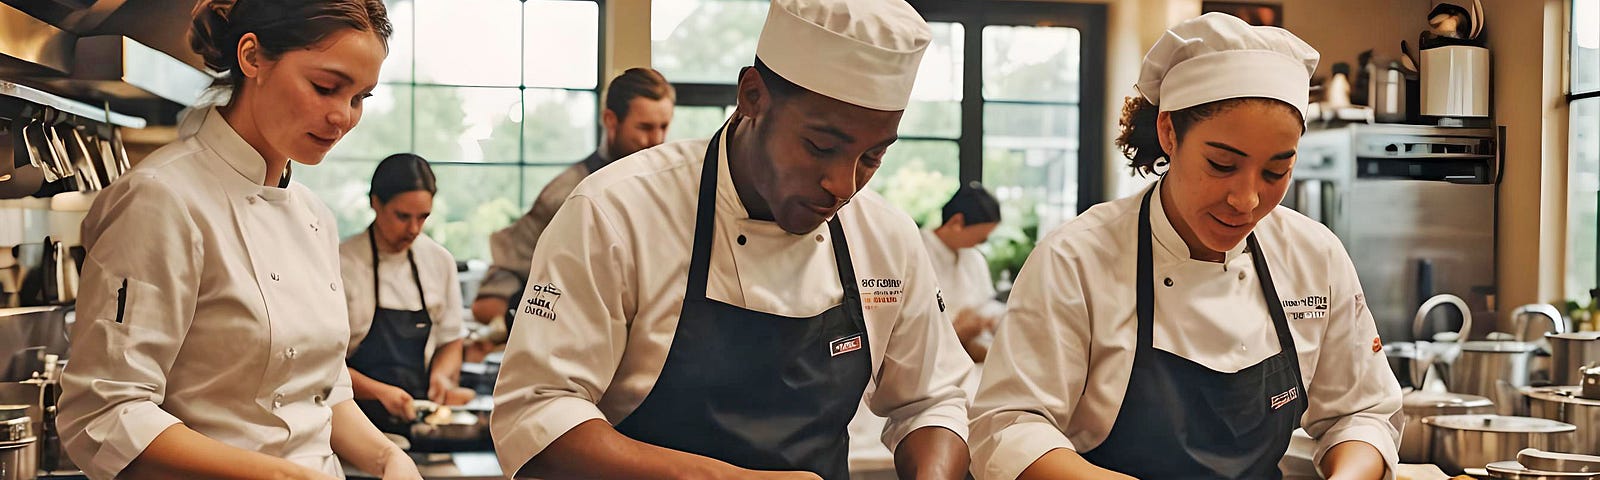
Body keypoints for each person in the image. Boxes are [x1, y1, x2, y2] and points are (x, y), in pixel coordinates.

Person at [489, 0, 973, 479]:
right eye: (820, 146)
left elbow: (933, 401)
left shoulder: (886, 238)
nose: (843, 186)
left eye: (872, 157)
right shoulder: (617, 212)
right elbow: (538, 414)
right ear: (752, 95)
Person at [968, 13, 1403, 480]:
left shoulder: (1314, 255)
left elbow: (1362, 414)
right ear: (1169, 133)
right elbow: (1010, 428)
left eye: (1276, 172)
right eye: (1221, 165)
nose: (1248, 200)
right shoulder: (1076, 260)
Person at [57, 1, 421, 479]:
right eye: (325, 87)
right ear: (252, 57)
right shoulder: (162, 199)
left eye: (359, 98)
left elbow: (323, 391)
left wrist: (387, 457)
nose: (342, 118)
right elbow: (105, 412)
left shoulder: (315, 217)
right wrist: (279, 474)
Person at [469, 68, 676, 338]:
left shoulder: (670, 191)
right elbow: (487, 303)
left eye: (664, 127)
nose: (657, 141)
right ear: (610, 120)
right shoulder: (566, 194)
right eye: (645, 128)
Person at [339, 153, 472, 435]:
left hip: (416, 419)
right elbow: (323, 363)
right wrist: (378, 392)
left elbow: (450, 341)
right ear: (375, 203)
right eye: (402, 217)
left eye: (423, 217)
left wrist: (442, 377)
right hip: (350, 419)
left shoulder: (439, 261)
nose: (413, 229)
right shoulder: (340, 262)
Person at [923, 182, 1005, 363]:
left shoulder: (974, 257)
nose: (983, 241)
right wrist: (959, 329)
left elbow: (985, 304)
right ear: (957, 222)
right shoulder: (917, 251)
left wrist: (991, 320)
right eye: (981, 236)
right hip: (932, 357)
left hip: (972, 352)